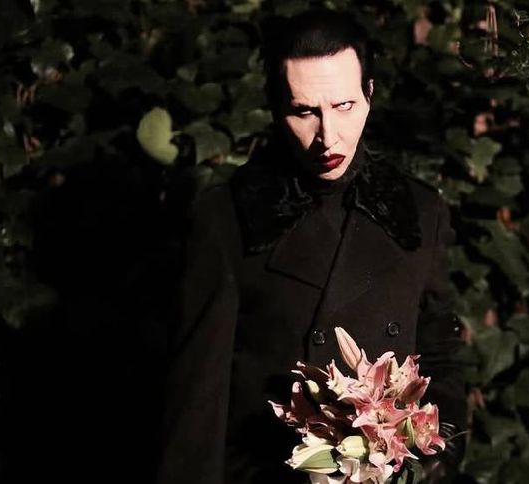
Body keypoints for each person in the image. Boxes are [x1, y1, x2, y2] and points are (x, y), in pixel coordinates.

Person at [158, 9, 466, 484]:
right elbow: (199, 399)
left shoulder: (419, 211)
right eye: (305, 111)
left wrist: (433, 453)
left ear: (369, 95)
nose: (327, 136)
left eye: (344, 106)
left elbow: (440, 353)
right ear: (277, 107)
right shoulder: (228, 219)